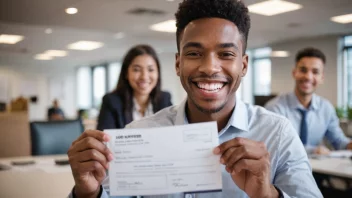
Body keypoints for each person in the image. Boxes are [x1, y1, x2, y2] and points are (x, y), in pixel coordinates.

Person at [68, 0, 322, 197]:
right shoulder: (141, 132)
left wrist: (268, 195)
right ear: (178, 64)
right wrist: (89, 193)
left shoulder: (277, 133)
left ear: (244, 66)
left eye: (225, 54)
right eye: (194, 53)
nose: (210, 68)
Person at [265, 47, 352, 154]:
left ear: (322, 78)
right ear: (294, 73)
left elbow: (339, 141)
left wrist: (349, 145)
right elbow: (275, 146)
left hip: (319, 169)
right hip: (282, 169)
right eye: (303, 70)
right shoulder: (275, 108)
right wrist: (313, 150)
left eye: (315, 72)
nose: (308, 77)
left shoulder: (326, 108)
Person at [97, 44, 172, 130]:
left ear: (158, 73)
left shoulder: (164, 99)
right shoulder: (112, 102)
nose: (144, 77)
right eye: (136, 70)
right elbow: (105, 139)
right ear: (126, 73)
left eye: (150, 69)